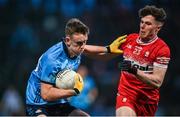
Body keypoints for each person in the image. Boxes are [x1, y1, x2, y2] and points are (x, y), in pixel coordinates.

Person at [25, 18, 126, 116]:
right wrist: (73, 91)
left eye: (85, 42)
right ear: (68, 40)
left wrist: (107, 49)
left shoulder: (75, 48)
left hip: (59, 103)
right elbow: (46, 94)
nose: (82, 46)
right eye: (79, 43)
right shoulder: (52, 60)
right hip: (37, 103)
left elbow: (87, 49)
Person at [84, 5, 170, 116]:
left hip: (148, 101)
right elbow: (105, 55)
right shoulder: (129, 39)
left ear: (158, 28)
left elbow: (157, 82)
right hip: (126, 95)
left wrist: (134, 70)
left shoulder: (162, 49)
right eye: (142, 22)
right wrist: (81, 49)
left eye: (148, 24)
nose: (142, 26)